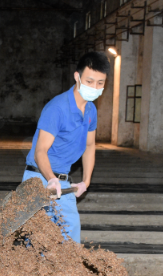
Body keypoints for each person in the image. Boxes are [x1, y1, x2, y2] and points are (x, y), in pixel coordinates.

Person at [23, 51, 110, 243]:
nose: (95, 87)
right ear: (77, 77)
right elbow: (40, 151)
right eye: (89, 81)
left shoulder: (91, 110)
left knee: (70, 234)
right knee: (39, 240)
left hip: (62, 180)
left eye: (100, 83)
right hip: (39, 177)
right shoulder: (57, 108)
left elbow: (89, 145)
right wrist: (51, 179)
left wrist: (85, 182)